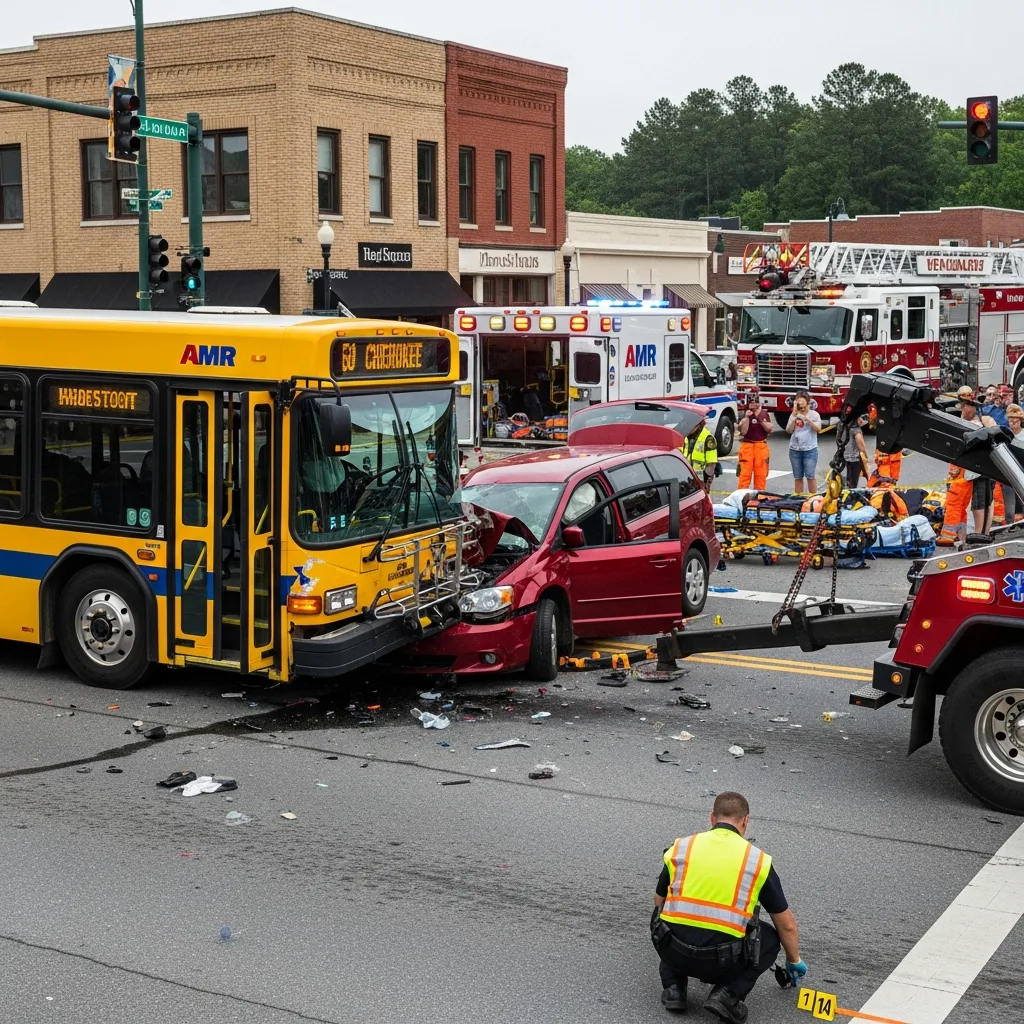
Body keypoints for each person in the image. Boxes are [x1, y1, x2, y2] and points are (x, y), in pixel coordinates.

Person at [652, 792, 806, 1023]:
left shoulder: (682, 847)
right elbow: (786, 925)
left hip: (674, 950)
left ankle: (674, 988)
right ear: (746, 821)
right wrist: (794, 961)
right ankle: (727, 994)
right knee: (772, 939)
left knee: (665, 914)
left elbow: (659, 901)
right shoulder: (756, 861)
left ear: (712, 819)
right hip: (721, 961)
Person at [960, 386, 999, 536]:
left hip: (982, 466)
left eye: (966, 406)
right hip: (972, 467)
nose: (964, 409)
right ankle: (981, 532)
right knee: (981, 501)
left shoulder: (985, 420)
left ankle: (981, 532)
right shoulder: (966, 419)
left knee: (982, 500)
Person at [786, 391, 821, 495]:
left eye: (803, 404)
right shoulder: (794, 414)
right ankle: (798, 499)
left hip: (809, 449)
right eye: (799, 403)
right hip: (795, 449)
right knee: (798, 476)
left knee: (810, 476)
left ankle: (814, 498)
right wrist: (794, 417)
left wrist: (807, 419)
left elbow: (818, 429)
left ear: (808, 403)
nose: (802, 407)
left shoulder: (814, 414)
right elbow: (788, 430)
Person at [737, 397, 774, 490]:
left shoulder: (764, 414)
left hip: (761, 446)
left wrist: (759, 419)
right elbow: (743, 432)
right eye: (751, 402)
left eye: (755, 402)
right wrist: (747, 418)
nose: (753, 404)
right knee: (744, 474)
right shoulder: (745, 415)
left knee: (761, 474)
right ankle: (741, 496)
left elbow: (769, 429)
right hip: (747, 446)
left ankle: (759, 496)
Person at [1001, 403, 1024, 524]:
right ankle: (1011, 522)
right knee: (1009, 498)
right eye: (1010, 419)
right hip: (1009, 470)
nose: (1013, 421)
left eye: (1015, 419)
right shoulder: (1006, 435)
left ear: (1020, 420)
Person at [685, 419, 719, 489]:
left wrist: (707, 482)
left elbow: (711, 463)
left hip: (699, 478)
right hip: (685, 476)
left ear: (698, 425)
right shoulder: (685, 435)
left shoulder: (708, 438)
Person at [843, 414, 869, 489]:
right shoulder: (856, 430)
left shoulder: (846, 427)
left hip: (846, 457)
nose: (861, 420)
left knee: (848, 479)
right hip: (855, 459)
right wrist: (866, 456)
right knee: (853, 482)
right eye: (860, 418)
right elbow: (861, 447)